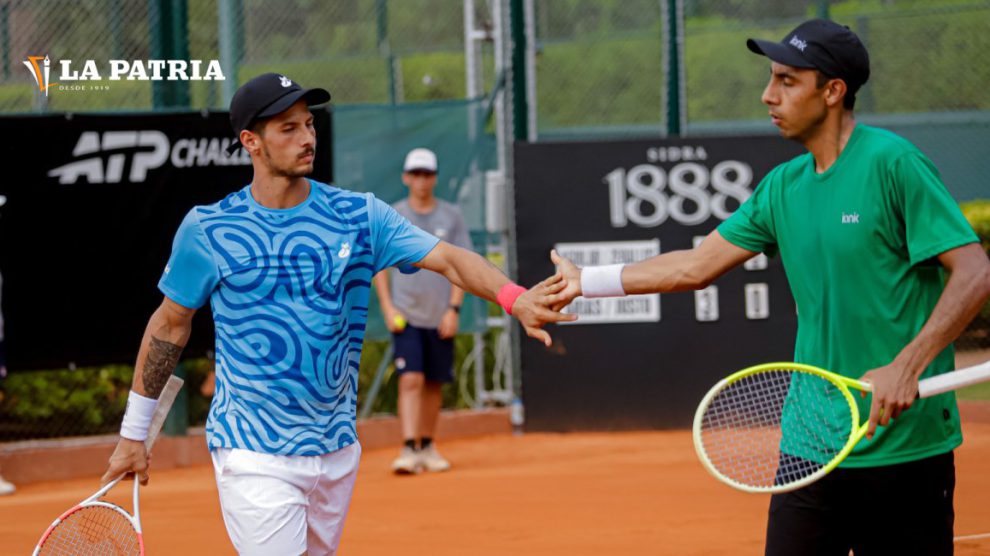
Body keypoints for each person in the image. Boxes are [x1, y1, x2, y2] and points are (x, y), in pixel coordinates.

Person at [548, 19, 990, 556]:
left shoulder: (894, 164)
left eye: (787, 80)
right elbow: (696, 265)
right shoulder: (782, 186)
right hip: (810, 444)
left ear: (833, 91)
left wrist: (908, 364)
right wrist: (586, 281)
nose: (768, 95)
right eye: (771, 78)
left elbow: (975, 272)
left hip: (904, 447)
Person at [99, 73, 573, 555]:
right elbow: (169, 324)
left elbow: (449, 259)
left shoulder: (360, 216)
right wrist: (134, 434)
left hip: (335, 447)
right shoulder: (209, 229)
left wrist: (515, 298)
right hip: (252, 448)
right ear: (251, 142)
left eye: (309, 124)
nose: (307, 138)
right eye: (288, 128)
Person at [373, 148, 470, 474]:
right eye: (416, 174)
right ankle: (408, 448)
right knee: (411, 378)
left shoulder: (452, 216)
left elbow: (462, 266)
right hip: (406, 316)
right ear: (406, 177)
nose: (421, 180)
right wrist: (388, 307)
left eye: (427, 174)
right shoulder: (394, 215)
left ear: (435, 178)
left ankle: (427, 446)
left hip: (440, 316)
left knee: (433, 382)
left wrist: (453, 310)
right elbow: (379, 265)